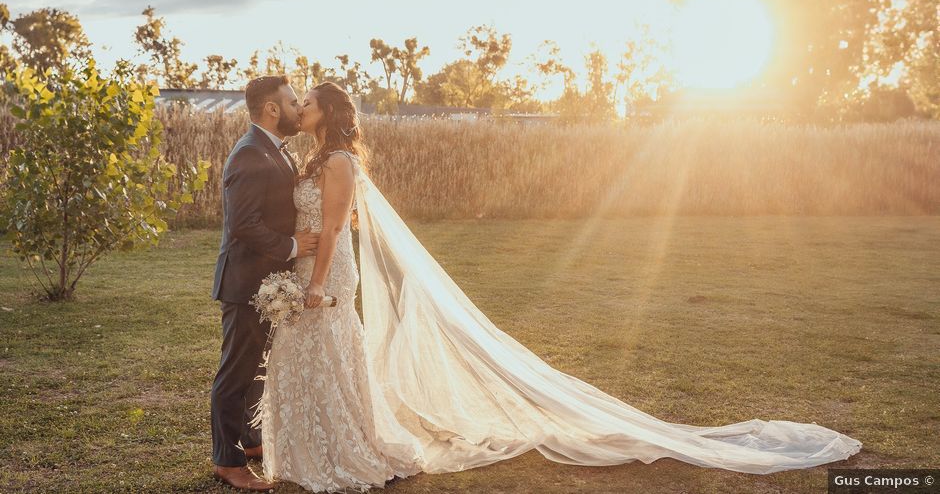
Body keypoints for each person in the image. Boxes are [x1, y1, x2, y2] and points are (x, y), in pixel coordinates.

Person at [251, 81, 863, 492]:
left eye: (306, 103)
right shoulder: (314, 159)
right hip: (307, 268)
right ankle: (313, 448)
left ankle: (342, 449)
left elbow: (333, 229)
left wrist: (315, 284)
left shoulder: (336, 163)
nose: (298, 107)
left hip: (324, 276)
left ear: (328, 114)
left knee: (328, 347)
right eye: (295, 102)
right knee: (315, 356)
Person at [210, 75, 320, 491]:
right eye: (293, 102)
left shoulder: (275, 150)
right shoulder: (250, 154)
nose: (298, 108)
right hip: (244, 283)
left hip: (266, 282)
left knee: (257, 365)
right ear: (272, 109)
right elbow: (243, 225)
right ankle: (227, 461)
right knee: (236, 372)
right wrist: (292, 246)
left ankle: (251, 439)